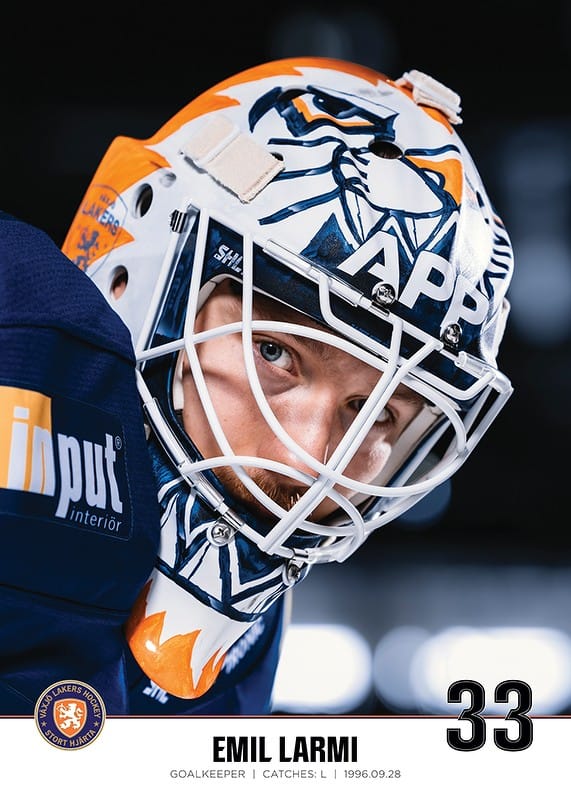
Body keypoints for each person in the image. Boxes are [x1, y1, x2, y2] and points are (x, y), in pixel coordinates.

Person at [0, 57, 514, 716]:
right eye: (276, 353)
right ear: (134, 277)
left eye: (374, 412)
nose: (312, 459)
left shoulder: (247, 645)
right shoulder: (21, 338)